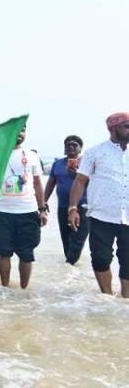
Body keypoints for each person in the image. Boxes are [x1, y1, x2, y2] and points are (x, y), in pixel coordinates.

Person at [69, 112, 129, 297]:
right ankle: (108, 297)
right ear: (112, 128)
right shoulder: (95, 152)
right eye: (126, 126)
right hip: (101, 215)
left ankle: (126, 300)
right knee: (101, 259)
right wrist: (72, 208)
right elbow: (80, 180)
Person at [0, 126, 48, 289]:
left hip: (28, 211)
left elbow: (38, 183)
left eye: (23, 130)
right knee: (4, 252)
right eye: (15, 130)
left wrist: (42, 209)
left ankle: (24, 290)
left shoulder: (32, 156)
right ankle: (5, 288)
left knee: (27, 254)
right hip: (2, 212)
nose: (19, 134)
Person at [44, 135, 89, 265]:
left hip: (83, 207)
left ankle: (68, 265)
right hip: (63, 207)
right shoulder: (57, 164)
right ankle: (70, 273)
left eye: (74, 145)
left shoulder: (87, 163)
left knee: (78, 240)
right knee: (66, 239)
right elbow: (50, 184)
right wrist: (43, 201)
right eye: (67, 145)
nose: (70, 147)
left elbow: (96, 183)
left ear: (80, 148)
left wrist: (78, 174)